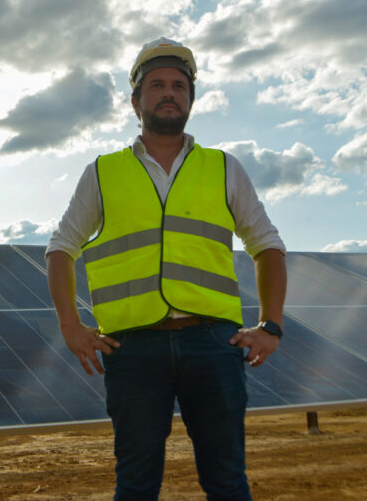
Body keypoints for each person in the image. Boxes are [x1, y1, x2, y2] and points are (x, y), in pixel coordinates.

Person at [45, 37, 287, 500]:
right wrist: (70, 325)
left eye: (179, 85)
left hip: (213, 344)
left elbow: (267, 245)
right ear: (136, 101)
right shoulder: (103, 172)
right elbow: (61, 248)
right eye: (156, 85)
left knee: (227, 481)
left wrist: (271, 325)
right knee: (135, 484)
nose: (169, 93)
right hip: (132, 348)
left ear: (191, 99)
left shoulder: (224, 168)